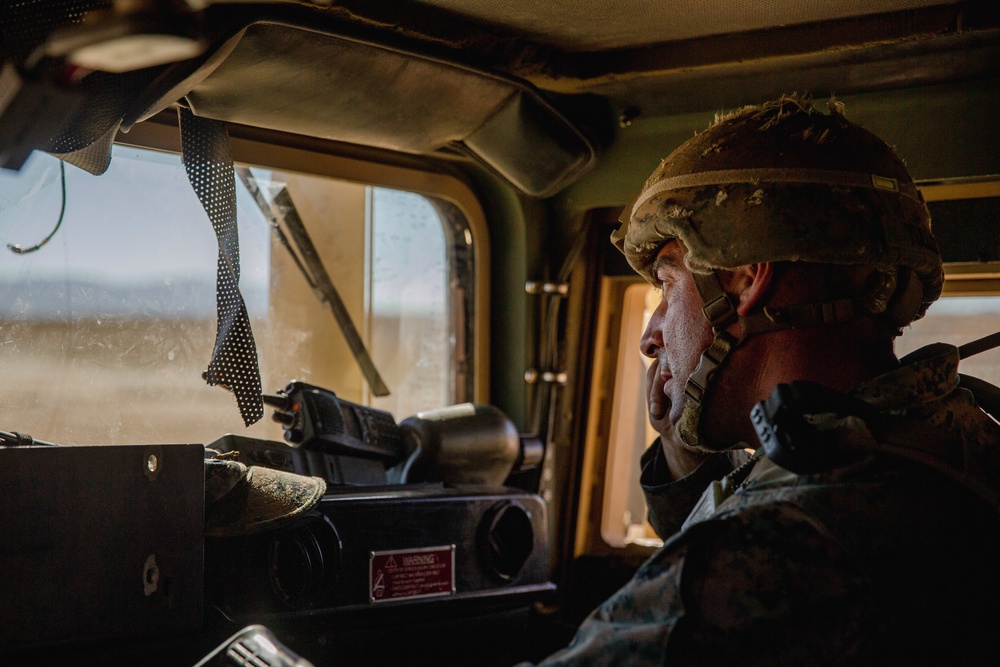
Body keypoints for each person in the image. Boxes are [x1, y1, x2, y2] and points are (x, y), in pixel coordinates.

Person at [527, 95, 1000, 665]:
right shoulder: (956, 440)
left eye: (668, 286)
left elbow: (739, 570)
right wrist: (683, 453)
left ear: (745, 280)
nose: (651, 336)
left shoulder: (781, 544)